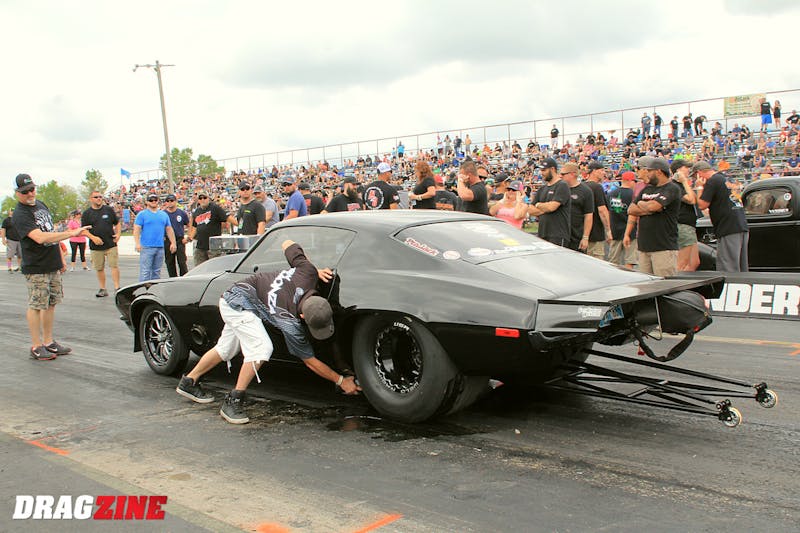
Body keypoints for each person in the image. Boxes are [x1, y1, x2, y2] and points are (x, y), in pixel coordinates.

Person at [175, 239, 361, 424]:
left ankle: (189, 382)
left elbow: (286, 242)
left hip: (236, 293)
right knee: (262, 349)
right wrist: (340, 381)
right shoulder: (289, 322)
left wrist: (313, 268)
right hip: (238, 305)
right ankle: (233, 401)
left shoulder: (307, 271)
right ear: (303, 318)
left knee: (226, 349)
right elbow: (309, 361)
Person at [11, 173, 89, 360]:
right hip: (36, 266)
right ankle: (36, 346)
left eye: (32, 189)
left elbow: (50, 231)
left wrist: (60, 258)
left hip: (51, 262)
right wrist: (71, 233)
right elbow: (40, 237)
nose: (30, 194)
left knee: (51, 303)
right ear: (17, 193)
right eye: (25, 191)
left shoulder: (41, 205)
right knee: (37, 304)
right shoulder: (20, 214)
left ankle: (48, 341)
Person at [626, 158, 681, 277]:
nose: (647, 174)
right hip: (644, 246)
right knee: (646, 284)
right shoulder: (647, 189)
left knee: (664, 284)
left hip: (663, 247)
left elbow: (654, 206)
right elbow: (631, 209)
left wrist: (643, 205)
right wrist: (646, 207)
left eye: (649, 171)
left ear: (658, 172)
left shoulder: (672, 188)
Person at [693, 161, 749, 272]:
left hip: (728, 227)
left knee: (728, 266)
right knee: (741, 266)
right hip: (740, 224)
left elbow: (702, 205)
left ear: (699, 173)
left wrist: (699, 188)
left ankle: (731, 287)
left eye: (695, 176)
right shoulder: (726, 178)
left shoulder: (713, 181)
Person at [81, 190, 122, 297]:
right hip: (96, 246)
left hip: (110, 243)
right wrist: (93, 238)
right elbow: (84, 230)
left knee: (114, 265)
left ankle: (117, 287)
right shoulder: (86, 214)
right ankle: (103, 288)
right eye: (96, 197)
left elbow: (117, 223)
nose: (99, 199)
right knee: (99, 268)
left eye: (100, 197)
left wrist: (118, 235)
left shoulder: (108, 210)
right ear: (91, 199)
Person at [527, 157, 571, 247]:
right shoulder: (542, 188)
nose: (541, 173)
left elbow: (552, 207)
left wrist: (538, 204)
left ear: (552, 169)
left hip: (558, 234)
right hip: (543, 233)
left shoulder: (562, 185)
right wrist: (545, 208)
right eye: (541, 170)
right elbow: (530, 210)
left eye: (544, 170)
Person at [134, 194, 177, 282]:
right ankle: (143, 291)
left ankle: (154, 291)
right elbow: (136, 229)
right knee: (145, 272)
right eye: (151, 200)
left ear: (158, 201)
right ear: (147, 202)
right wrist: (137, 243)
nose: (153, 202)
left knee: (156, 272)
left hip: (160, 247)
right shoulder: (142, 214)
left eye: (155, 200)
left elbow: (169, 229)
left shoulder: (163, 214)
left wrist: (173, 242)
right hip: (146, 247)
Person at [188, 190, 237, 267]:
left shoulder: (215, 208)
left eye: (204, 197)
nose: (203, 200)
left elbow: (227, 217)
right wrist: (190, 237)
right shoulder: (197, 211)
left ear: (209, 198)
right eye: (200, 198)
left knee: (214, 267)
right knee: (199, 268)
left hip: (213, 246)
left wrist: (239, 225)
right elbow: (195, 226)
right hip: (200, 245)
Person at [670, 160, 701, 271]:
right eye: (686, 168)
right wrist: (684, 182)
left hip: (689, 225)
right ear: (678, 170)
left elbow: (694, 198)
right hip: (682, 225)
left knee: (694, 262)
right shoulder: (675, 186)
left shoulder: (681, 186)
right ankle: (675, 285)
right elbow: (691, 200)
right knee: (681, 262)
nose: (688, 170)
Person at [558, 162, 594, 251]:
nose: (560, 176)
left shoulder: (585, 191)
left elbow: (589, 215)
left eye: (563, 174)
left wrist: (585, 237)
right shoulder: (559, 189)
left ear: (572, 174)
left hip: (576, 236)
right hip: (559, 235)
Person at [607, 171, 638, 268]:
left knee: (613, 261)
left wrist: (608, 230)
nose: (635, 183)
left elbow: (607, 212)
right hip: (630, 232)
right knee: (630, 260)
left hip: (615, 230)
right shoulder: (633, 195)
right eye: (634, 181)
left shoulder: (611, 193)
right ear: (630, 181)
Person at [584, 161, 613, 259]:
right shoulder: (597, 187)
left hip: (583, 234)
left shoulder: (582, 186)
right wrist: (609, 230)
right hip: (595, 234)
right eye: (601, 170)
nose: (604, 173)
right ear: (594, 171)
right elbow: (602, 210)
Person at [162, 193, 190, 277]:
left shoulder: (181, 213)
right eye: (168, 201)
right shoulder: (163, 214)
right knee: (170, 262)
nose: (170, 202)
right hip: (167, 240)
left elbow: (190, 225)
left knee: (182, 262)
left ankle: (184, 278)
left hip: (179, 240)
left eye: (171, 200)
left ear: (175, 201)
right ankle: (172, 278)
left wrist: (188, 237)